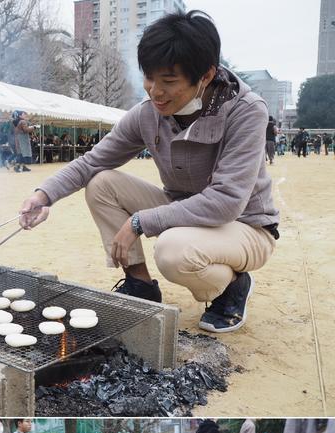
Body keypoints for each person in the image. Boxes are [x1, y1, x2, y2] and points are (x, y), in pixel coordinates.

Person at [19, 11, 279, 334]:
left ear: (206, 75)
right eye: (149, 78)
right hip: (183, 212)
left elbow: (226, 201)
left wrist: (142, 221)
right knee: (101, 183)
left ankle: (233, 287)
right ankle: (141, 286)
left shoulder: (245, 111)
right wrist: (43, 195)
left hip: (244, 225)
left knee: (172, 251)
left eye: (169, 81)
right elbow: (92, 162)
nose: (155, 91)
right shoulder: (148, 114)